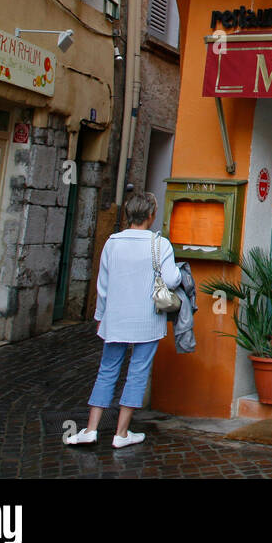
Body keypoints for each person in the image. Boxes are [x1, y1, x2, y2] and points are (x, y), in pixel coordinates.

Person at [65, 191, 179, 449]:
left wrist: (100, 317)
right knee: (137, 372)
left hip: (116, 318)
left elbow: (102, 286)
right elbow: (171, 280)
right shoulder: (159, 244)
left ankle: (91, 429)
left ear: (128, 214)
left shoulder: (112, 243)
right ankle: (122, 432)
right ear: (151, 215)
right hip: (147, 319)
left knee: (107, 370)